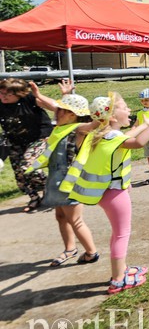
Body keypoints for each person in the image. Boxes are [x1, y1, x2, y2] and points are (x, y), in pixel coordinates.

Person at [65, 92, 149, 294]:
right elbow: (138, 143)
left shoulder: (101, 135)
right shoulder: (113, 137)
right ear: (112, 116)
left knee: (117, 233)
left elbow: (127, 136)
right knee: (122, 234)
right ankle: (118, 279)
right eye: (124, 107)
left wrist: (143, 124)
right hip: (115, 194)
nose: (129, 109)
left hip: (106, 193)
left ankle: (120, 270)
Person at [27, 83, 99, 267]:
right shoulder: (61, 128)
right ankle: (70, 248)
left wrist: (104, 112)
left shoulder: (79, 129)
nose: (55, 113)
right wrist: (55, 95)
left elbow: (93, 124)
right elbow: (51, 105)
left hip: (70, 183)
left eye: (61, 111)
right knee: (60, 217)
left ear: (72, 115)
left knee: (75, 219)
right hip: (56, 181)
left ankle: (91, 252)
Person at [0, 78, 54, 212]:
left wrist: (39, 95)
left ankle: (51, 185)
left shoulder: (29, 99)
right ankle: (34, 198)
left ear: (19, 94)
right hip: (15, 140)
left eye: (7, 94)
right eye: (1, 93)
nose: (3, 97)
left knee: (28, 166)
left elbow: (56, 107)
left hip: (39, 137)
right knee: (19, 173)